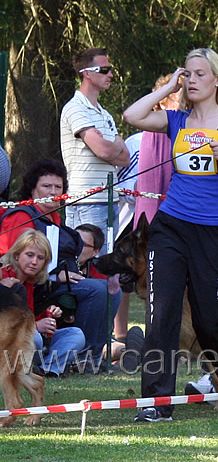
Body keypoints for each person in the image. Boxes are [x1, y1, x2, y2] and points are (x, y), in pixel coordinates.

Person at [122, 48, 218, 422]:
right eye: (186, 74)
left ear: (217, 80)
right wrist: (166, 89)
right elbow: (132, 116)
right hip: (170, 227)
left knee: (211, 319)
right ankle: (157, 404)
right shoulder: (176, 119)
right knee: (162, 315)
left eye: (199, 74)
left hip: (213, 233)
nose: (191, 80)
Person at [0, 159, 121, 367]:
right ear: (32, 189)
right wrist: (55, 275)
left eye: (58, 187)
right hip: (29, 287)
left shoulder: (54, 217)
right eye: (46, 186)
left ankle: (94, 351)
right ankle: (82, 358)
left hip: (51, 285)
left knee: (111, 289)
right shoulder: (21, 216)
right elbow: (12, 263)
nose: (52, 191)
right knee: (96, 290)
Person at [60, 48, 130, 252]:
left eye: (110, 70)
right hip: (86, 201)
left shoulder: (105, 114)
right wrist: (113, 145)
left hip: (110, 200)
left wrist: (110, 147)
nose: (110, 75)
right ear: (87, 73)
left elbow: (125, 158)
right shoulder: (75, 108)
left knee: (107, 265)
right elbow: (105, 151)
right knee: (87, 263)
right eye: (104, 69)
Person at [1, 229, 85, 377]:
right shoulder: (5, 279)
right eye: (29, 255)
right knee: (34, 336)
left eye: (40, 258)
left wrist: (48, 316)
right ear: (16, 255)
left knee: (75, 335)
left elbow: (28, 317)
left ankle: (47, 370)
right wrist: (35, 326)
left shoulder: (30, 283)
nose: (34, 262)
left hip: (28, 345)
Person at [133, 73, 183, 228]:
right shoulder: (155, 134)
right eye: (178, 99)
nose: (183, 104)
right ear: (162, 103)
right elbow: (152, 188)